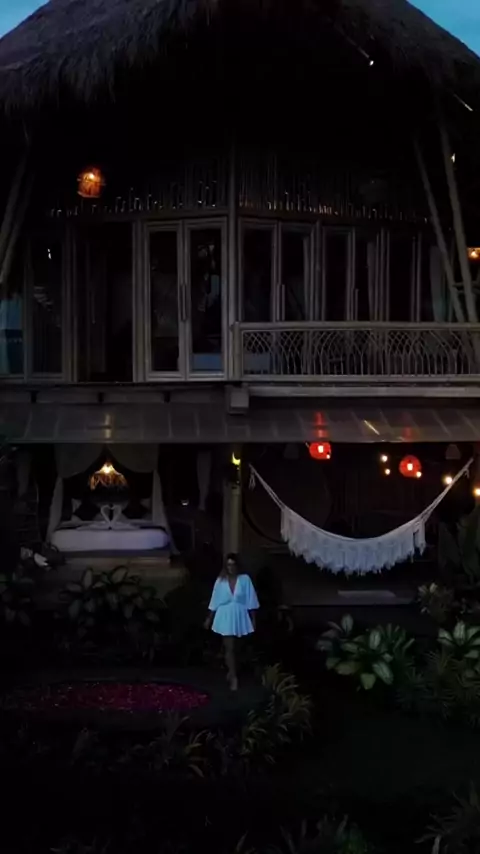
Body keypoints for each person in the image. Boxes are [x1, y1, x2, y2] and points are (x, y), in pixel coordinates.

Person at [204, 553, 259, 691]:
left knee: (237, 648)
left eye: (233, 564)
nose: (231, 567)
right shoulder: (220, 581)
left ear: (237, 565)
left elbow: (251, 599)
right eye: (228, 565)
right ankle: (234, 677)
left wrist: (253, 619)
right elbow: (215, 600)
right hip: (224, 616)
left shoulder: (245, 579)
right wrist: (209, 618)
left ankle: (231, 670)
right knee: (230, 647)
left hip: (240, 616)